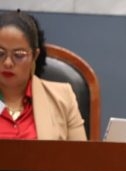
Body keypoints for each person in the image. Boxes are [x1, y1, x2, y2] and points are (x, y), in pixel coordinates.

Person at [0, 10, 86, 140]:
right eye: (0, 53)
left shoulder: (63, 98)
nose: (8, 63)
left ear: (34, 56)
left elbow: (80, 152)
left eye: (19, 55)